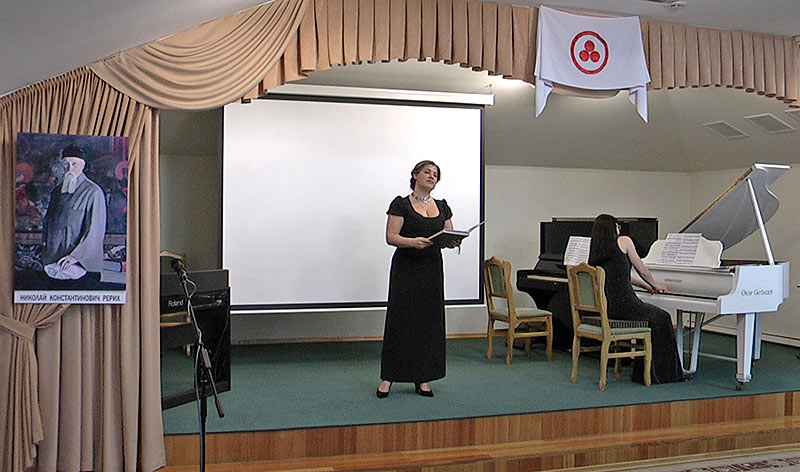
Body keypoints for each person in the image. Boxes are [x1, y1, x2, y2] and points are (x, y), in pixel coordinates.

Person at [377, 160, 455, 398]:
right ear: (415, 175)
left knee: (428, 323)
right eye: (427, 172)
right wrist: (412, 242)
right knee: (401, 321)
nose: (432, 176)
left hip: (432, 269)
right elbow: (391, 237)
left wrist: (453, 241)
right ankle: (388, 377)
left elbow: (449, 233)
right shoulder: (401, 204)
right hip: (407, 268)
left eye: (435, 174)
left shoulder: (442, 206)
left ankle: (423, 377)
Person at [588, 214, 686, 384]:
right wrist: (655, 284)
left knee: (652, 319)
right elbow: (641, 269)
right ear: (612, 228)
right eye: (617, 225)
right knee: (662, 318)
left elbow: (621, 275)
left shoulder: (597, 250)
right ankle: (662, 374)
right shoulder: (624, 241)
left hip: (609, 308)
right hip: (626, 305)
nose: (619, 228)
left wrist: (645, 286)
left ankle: (643, 370)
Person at [41, 144, 107, 279]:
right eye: (66, 164)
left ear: (83, 165)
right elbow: (48, 224)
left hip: (79, 263)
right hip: (55, 262)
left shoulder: (93, 192)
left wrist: (74, 257)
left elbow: (95, 232)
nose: (70, 168)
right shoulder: (57, 193)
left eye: (74, 164)